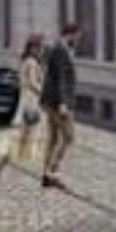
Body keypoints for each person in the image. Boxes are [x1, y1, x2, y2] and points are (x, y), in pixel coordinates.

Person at [0, 34, 45, 179]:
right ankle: (44, 171)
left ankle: (1, 164)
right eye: (39, 48)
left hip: (27, 101)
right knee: (28, 137)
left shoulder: (26, 62)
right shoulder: (31, 63)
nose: (41, 51)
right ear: (33, 48)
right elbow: (32, 83)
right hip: (31, 103)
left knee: (24, 137)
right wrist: (44, 93)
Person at [40, 23, 82, 189]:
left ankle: (46, 174)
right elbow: (61, 78)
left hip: (52, 101)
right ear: (70, 34)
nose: (78, 40)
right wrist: (63, 103)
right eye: (77, 36)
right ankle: (53, 172)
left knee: (53, 139)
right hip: (59, 103)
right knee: (69, 137)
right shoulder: (60, 50)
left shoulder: (57, 48)